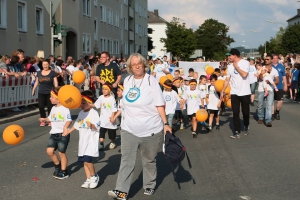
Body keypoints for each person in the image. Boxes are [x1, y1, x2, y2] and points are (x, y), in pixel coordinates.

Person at [108, 53, 171, 200]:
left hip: (150, 129)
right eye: (134, 64)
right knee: (126, 160)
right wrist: (118, 115)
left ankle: (149, 185)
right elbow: (124, 103)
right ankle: (121, 191)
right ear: (130, 67)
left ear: (144, 65)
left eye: (139, 63)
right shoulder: (128, 80)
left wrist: (166, 123)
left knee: (148, 160)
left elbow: (159, 104)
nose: (137, 66)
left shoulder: (151, 81)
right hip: (129, 129)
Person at [66, 91, 100, 188]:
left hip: (91, 141)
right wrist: (68, 132)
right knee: (84, 161)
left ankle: (94, 176)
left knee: (87, 160)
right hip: (83, 142)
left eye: (84, 103)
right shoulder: (81, 113)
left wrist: (92, 125)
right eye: (81, 102)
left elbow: (98, 127)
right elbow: (76, 125)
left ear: (90, 102)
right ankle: (88, 178)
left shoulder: (94, 113)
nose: (81, 105)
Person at [38, 87, 72, 179]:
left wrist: (65, 127)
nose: (50, 98)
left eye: (52, 97)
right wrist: (45, 119)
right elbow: (50, 118)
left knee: (61, 153)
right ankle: (57, 165)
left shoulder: (65, 109)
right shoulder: (53, 108)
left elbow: (69, 120)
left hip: (63, 134)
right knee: (49, 151)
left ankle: (64, 171)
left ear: (59, 98)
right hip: (53, 134)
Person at [221, 49, 251, 138]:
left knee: (245, 112)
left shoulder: (245, 63)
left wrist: (236, 67)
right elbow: (227, 79)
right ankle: (236, 131)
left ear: (235, 55)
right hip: (234, 92)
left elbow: (244, 75)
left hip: (245, 92)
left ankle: (246, 125)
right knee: (235, 112)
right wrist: (222, 90)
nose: (228, 57)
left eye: (230, 55)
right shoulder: (229, 66)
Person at [32, 59, 58, 126]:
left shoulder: (52, 73)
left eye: (46, 64)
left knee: (50, 107)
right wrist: (33, 89)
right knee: (41, 106)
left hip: (50, 92)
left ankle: (50, 120)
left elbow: (55, 82)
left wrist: (56, 90)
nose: (45, 66)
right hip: (41, 92)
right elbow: (37, 82)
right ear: (42, 65)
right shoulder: (39, 73)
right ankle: (43, 120)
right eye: (44, 65)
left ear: (49, 65)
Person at [256, 56, 279, 127]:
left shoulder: (274, 70)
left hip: (270, 89)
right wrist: (262, 73)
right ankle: (260, 117)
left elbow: (277, 80)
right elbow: (259, 79)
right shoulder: (261, 68)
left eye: (267, 59)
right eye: (265, 59)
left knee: (269, 105)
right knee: (260, 104)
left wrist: (270, 82)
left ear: (271, 60)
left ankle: (268, 120)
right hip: (261, 89)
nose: (266, 60)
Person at [272, 54, 287, 120]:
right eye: (274, 58)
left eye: (276, 58)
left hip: (279, 86)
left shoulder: (281, 66)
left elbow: (284, 76)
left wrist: (285, 85)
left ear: (278, 59)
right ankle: (272, 114)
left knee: (280, 101)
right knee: (271, 101)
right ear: (272, 59)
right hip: (271, 87)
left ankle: (277, 111)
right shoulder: (270, 66)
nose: (275, 59)